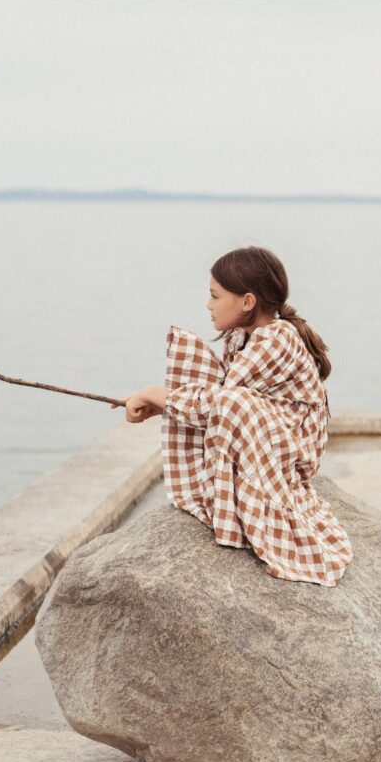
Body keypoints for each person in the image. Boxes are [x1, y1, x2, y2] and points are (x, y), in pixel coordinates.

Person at [113, 246, 353, 587]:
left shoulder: (277, 339)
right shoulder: (241, 336)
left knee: (230, 401)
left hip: (292, 452)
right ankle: (215, 490)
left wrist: (157, 394)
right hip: (268, 438)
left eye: (215, 296)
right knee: (191, 355)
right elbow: (216, 398)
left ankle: (249, 505)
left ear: (247, 302)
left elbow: (221, 405)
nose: (208, 305)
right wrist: (161, 403)